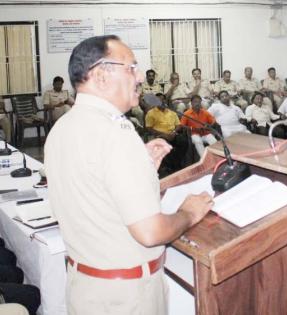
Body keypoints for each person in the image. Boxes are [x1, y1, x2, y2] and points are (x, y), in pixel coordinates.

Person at [44, 35, 213, 315]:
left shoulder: (64, 127)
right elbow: (150, 232)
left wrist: (141, 167)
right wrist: (189, 213)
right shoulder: (116, 134)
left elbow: (93, 190)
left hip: (85, 287)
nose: (138, 76)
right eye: (131, 67)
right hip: (126, 298)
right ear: (100, 75)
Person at [145, 93, 189, 172]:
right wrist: (164, 134)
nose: (160, 101)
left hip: (173, 134)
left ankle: (176, 162)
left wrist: (174, 132)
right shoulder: (151, 113)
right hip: (160, 135)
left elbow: (178, 125)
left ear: (165, 100)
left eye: (162, 99)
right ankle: (174, 167)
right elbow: (149, 128)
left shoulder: (171, 112)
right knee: (166, 145)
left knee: (184, 141)